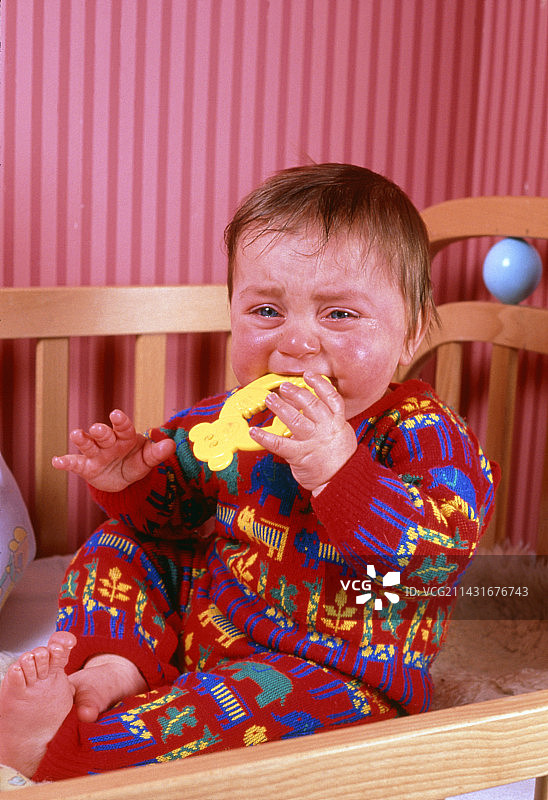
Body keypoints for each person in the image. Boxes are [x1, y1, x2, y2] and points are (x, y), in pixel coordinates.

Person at [0, 164, 499, 781]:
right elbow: (175, 514)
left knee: (256, 709)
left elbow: (436, 552)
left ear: (412, 331)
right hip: (210, 621)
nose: (296, 343)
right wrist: (131, 480)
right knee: (120, 543)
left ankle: (78, 751)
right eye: (267, 309)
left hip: (333, 668)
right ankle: (113, 666)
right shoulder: (234, 416)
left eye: (339, 315)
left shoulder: (423, 433)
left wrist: (339, 469)